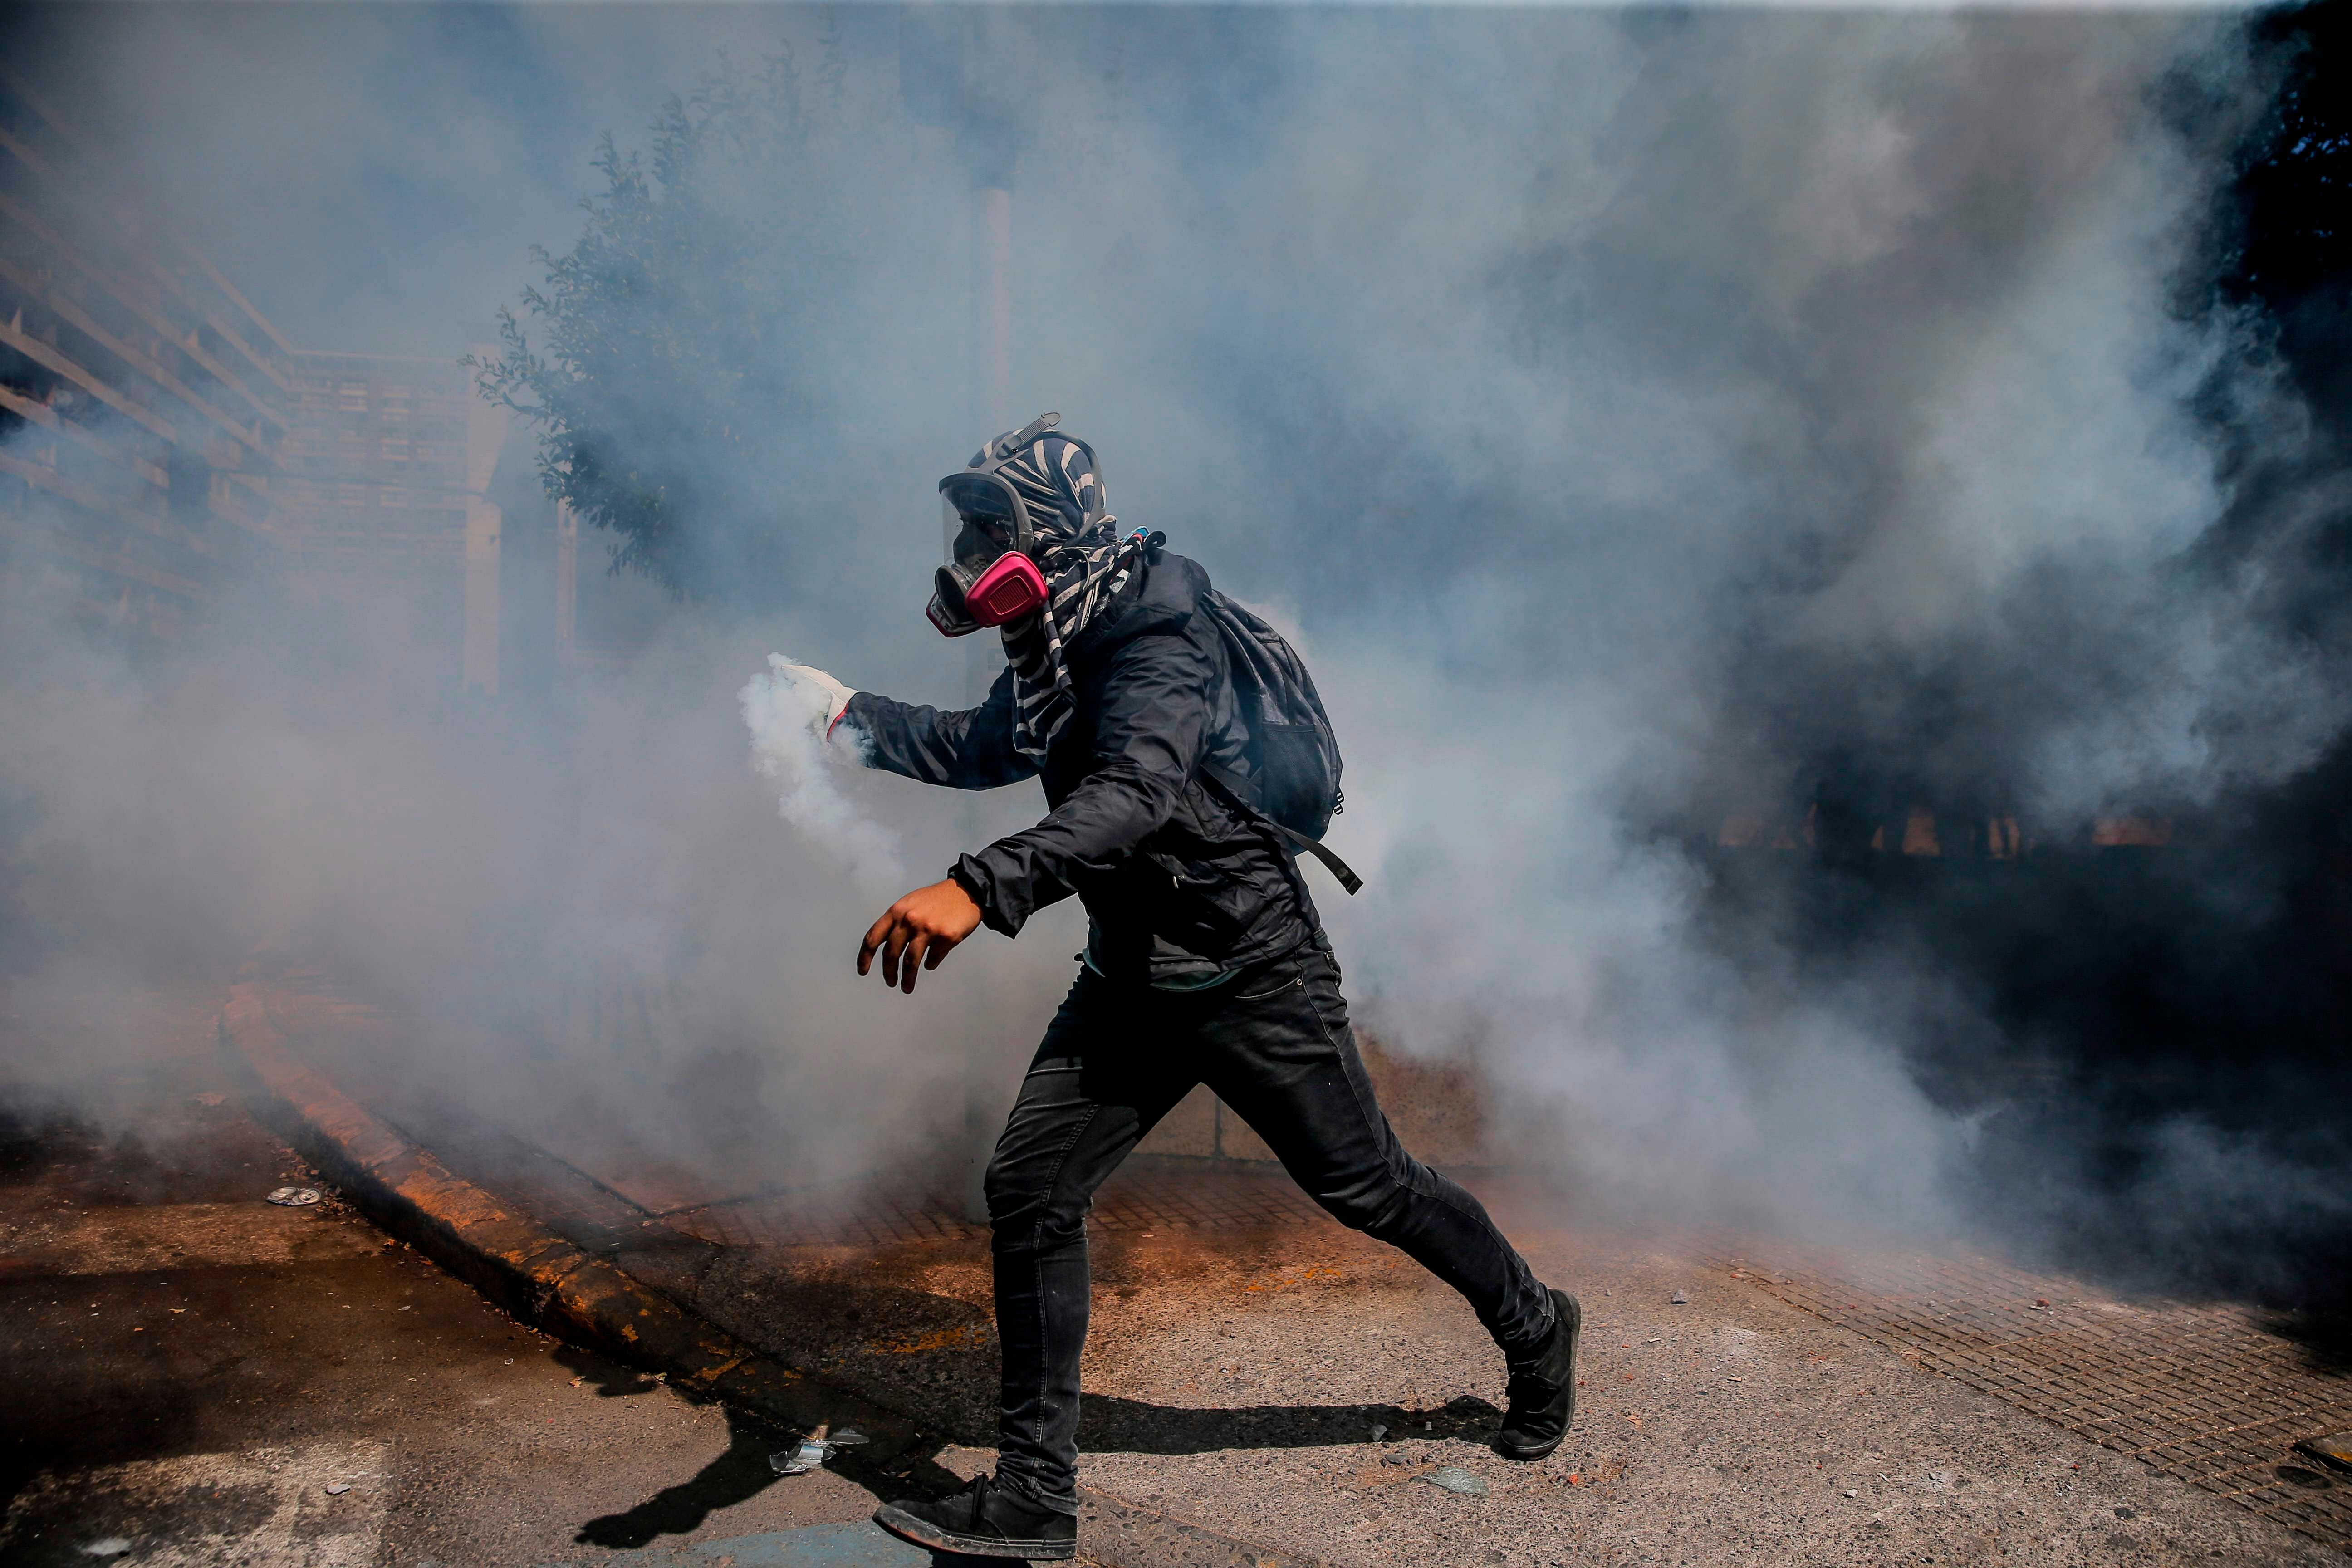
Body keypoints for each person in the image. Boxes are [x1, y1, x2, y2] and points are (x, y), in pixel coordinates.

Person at [777, 416, 1578, 1561]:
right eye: (963, 533)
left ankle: (1538, 1325)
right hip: (1131, 979)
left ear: (1045, 533)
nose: (965, 556)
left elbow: (1131, 800)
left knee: (1370, 1187)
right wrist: (846, 716)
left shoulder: (1157, 637)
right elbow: (982, 745)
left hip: (1252, 969)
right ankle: (1034, 1501)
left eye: (985, 531)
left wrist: (975, 887)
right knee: (1030, 1189)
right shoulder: (1062, 641)